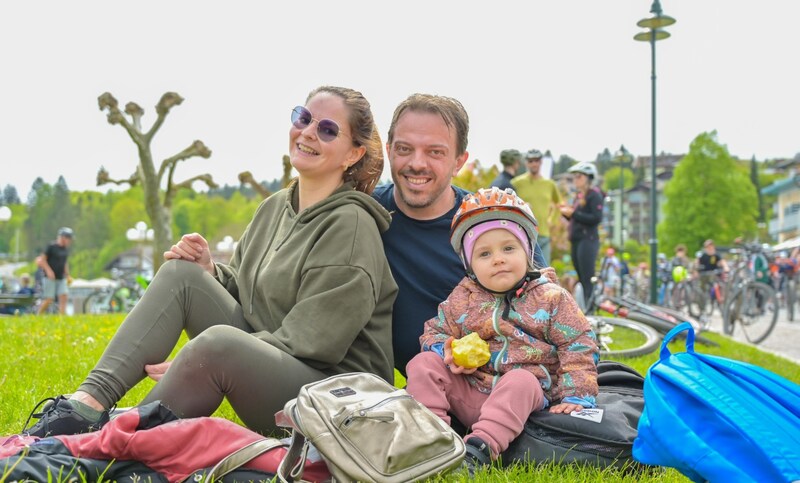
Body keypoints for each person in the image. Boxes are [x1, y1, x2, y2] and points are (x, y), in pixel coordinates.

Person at [23, 85, 398, 437]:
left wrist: (201, 356)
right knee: (180, 274)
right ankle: (84, 408)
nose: (308, 132)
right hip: (281, 363)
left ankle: (113, 441)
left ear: (354, 153)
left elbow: (316, 340)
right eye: (303, 118)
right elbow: (253, 294)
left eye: (329, 129)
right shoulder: (274, 208)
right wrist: (210, 271)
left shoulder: (351, 224)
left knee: (217, 344)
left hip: (336, 400)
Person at [405, 187, 598, 472]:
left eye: (509, 248)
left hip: (524, 400)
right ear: (469, 265)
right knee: (422, 363)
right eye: (484, 253)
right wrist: (445, 350)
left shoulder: (551, 298)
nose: (498, 259)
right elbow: (433, 332)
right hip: (472, 390)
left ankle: (479, 450)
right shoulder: (464, 297)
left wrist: (576, 394)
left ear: (528, 251)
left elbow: (579, 344)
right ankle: (435, 441)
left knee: (521, 381)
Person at [372, 93, 545, 376]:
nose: (417, 163)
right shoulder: (365, 215)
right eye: (404, 149)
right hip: (421, 385)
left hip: (498, 384)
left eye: (435, 152)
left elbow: (548, 309)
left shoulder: (492, 223)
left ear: (459, 161)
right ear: (389, 150)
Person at [558, 162, 603, 306]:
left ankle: (591, 307)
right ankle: (586, 307)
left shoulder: (594, 195)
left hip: (587, 240)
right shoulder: (579, 196)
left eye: (579, 176)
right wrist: (567, 213)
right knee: (581, 277)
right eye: (574, 177)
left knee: (587, 276)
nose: (576, 180)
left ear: (588, 178)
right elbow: (577, 217)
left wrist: (574, 213)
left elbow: (596, 218)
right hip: (576, 239)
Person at [511, 149, 562, 265]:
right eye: (530, 161)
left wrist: (552, 220)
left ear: (541, 162)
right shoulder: (516, 183)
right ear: (526, 163)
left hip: (543, 233)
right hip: (522, 232)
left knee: (544, 271)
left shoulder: (549, 184)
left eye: (536, 160)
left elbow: (559, 204)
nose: (534, 163)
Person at [36, 227, 74, 315]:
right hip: (50, 277)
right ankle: (39, 314)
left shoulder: (65, 249)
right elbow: (42, 260)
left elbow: (64, 263)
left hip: (61, 277)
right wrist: (49, 271)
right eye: (69, 239)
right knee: (49, 299)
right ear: (63, 237)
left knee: (64, 296)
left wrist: (67, 275)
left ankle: (62, 316)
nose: (69, 241)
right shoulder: (51, 246)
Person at [695, 239, 729, 305]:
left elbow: (722, 261)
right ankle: (701, 304)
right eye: (708, 246)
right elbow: (697, 262)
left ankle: (719, 299)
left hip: (714, 273)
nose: (710, 248)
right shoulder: (703, 255)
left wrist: (726, 267)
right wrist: (696, 269)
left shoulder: (716, 255)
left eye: (711, 246)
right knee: (702, 288)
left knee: (720, 284)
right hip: (704, 274)